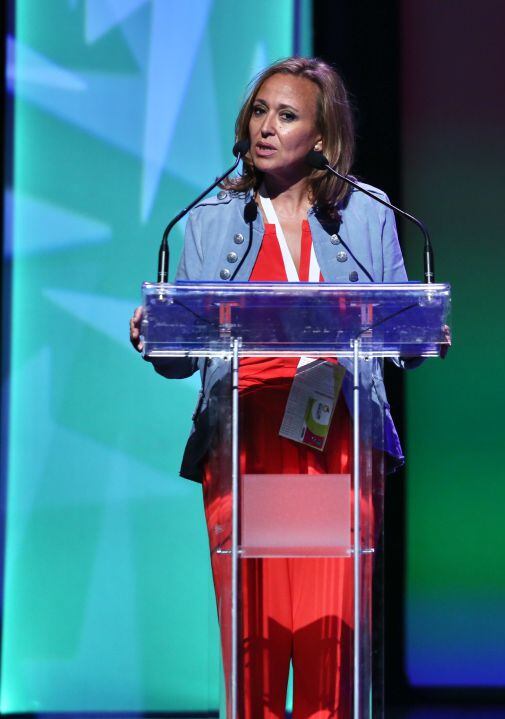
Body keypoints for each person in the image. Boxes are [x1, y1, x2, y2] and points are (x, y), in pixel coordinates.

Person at [128, 57, 416, 719]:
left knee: (328, 637)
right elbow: (180, 360)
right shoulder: (205, 218)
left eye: (286, 115)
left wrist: (422, 339)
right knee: (252, 637)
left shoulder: (367, 212)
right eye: (260, 111)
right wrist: (156, 337)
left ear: (321, 135)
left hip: (336, 440)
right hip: (244, 436)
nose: (266, 127)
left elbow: (402, 335)